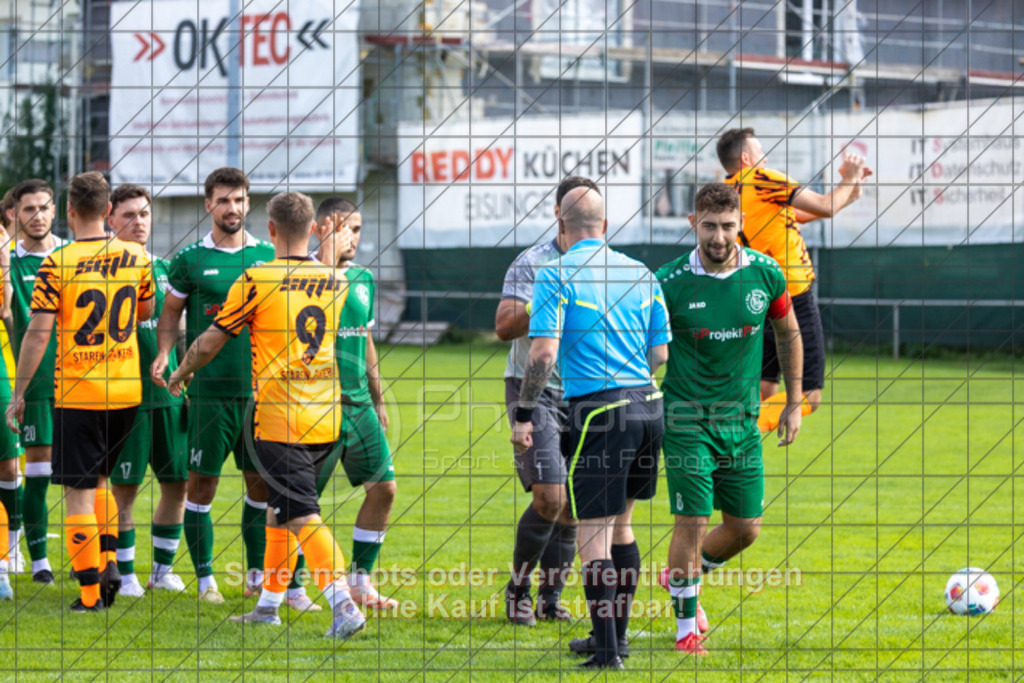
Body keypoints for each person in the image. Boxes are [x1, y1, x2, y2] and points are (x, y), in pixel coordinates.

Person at [164, 191, 365, 639]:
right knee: (279, 509)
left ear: (270, 229)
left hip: (279, 418)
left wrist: (179, 372)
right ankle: (268, 605)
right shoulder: (338, 280)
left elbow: (211, 341)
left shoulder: (257, 279)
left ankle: (343, 603)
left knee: (299, 514)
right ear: (313, 230)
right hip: (327, 415)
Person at [511, 184, 670, 670]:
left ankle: (606, 655)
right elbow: (661, 353)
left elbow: (542, 354)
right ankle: (614, 640)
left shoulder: (555, 274)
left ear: (561, 224)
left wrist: (523, 412)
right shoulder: (641, 273)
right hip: (649, 404)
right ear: (605, 226)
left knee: (593, 538)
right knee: (623, 528)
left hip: (600, 413)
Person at [656, 182, 803, 654]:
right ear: (692, 224)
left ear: (741, 223)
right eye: (708, 226)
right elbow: (646, 352)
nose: (718, 236)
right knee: (692, 518)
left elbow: (789, 335)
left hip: (741, 423)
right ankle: (685, 632)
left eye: (727, 226)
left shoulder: (767, 274)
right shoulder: (668, 282)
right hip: (685, 420)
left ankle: (684, 574)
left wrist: (794, 401)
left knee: (746, 528)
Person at [6, 171, 155, 611]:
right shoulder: (135, 255)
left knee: (78, 492)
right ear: (109, 211)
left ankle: (91, 593)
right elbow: (145, 309)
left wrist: (19, 393)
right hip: (126, 391)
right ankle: (108, 562)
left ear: (69, 212)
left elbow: (37, 333)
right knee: (103, 481)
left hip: (79, 391)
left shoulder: (58, 262)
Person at [150, 168, 275, 604]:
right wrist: (165, 354)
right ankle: (206, 581)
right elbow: (168, 315)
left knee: (260, 486)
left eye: (239, 200)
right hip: (209, 394)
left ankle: (256, 577)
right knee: (200, 487)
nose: (232, 208)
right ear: (208, 205)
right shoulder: (190, 259)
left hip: (261, 392)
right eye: (223, 200)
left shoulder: (268, 255)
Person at [496, 178, 599, 625]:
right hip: (532, 388)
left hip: (587, 391)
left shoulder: (608, 267)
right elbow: (502, 326)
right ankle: (518, 589)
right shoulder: (532, 263)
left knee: (574, 504)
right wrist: (546, 297)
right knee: (549, 496)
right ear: (559, 215)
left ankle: (550, 599)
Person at [717, 128, 868, 432]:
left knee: (764, 390)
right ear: (747, 158)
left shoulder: (729, 192)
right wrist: (849, 178)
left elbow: (805, 213)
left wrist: (849, 191)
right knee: (809, 396)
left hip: (759, 296)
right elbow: (825, 205)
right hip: (792, 294)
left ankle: (732, 443)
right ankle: (729, 430)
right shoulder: (762, 179)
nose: (766, 157)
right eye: (760, 151)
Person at [312, 198, 397, 610]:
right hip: (313, 405)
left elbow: (365, 343)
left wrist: (378, 399)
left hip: (359, 405)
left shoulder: (363, 277)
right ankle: (286, 589)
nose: (353, 238)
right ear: (322, 228)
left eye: (358, 230)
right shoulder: (301, 275)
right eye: (345, 228)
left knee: (384, 489)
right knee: (300, 502)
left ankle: (360, 582)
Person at [106, 184, 189, 596]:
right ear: (110, 218)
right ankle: (124, 573)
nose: (139, 222)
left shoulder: (165, 268)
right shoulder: (102, 268)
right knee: (125, 490)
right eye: (129, 215)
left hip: (168, 396)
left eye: (144, 214)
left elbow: (176, 325)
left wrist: (183, 365)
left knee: (178, 483)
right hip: (127, 398)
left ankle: (161, 569)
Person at [2, 179, 65, 585]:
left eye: (44, 208)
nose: (37, 216)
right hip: (36, 384)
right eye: (29, 210)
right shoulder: (7, 261)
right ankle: (38, 558)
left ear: (56, 211)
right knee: (38, 474)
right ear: (15, 215)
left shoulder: (76, 256)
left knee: (92, 477)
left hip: (84, 380)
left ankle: (100, 562)